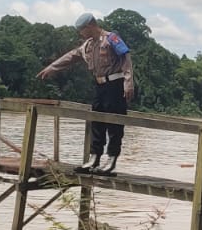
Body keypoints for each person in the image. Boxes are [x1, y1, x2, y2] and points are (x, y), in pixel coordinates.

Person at [36, 12, 134, 175]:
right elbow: (71, 57)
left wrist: (128, 82)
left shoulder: (111, 38)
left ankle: (111, 160)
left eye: (82, 30)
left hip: (116, 85)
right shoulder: (88, 45)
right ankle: (94, 158)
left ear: (90, 26)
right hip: (100, 86)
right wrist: (52, 67)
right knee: (96, 122)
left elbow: (126, 58)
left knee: (114, 123)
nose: (80, 33)